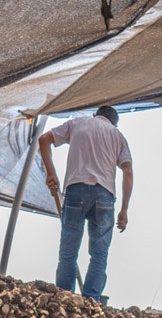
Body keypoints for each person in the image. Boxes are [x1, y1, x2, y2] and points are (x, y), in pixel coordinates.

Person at [38, 106, 133, 302]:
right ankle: (92, 301)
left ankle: (64, 299)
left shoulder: (78, 123)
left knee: (68, 252)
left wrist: (51, 173)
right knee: (99, 254)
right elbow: (128, 171)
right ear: (113, 122)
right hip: (104, 195)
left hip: (76, 190)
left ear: (95, 115)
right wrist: (124, 210)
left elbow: (43, 140)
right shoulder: (117, 135)